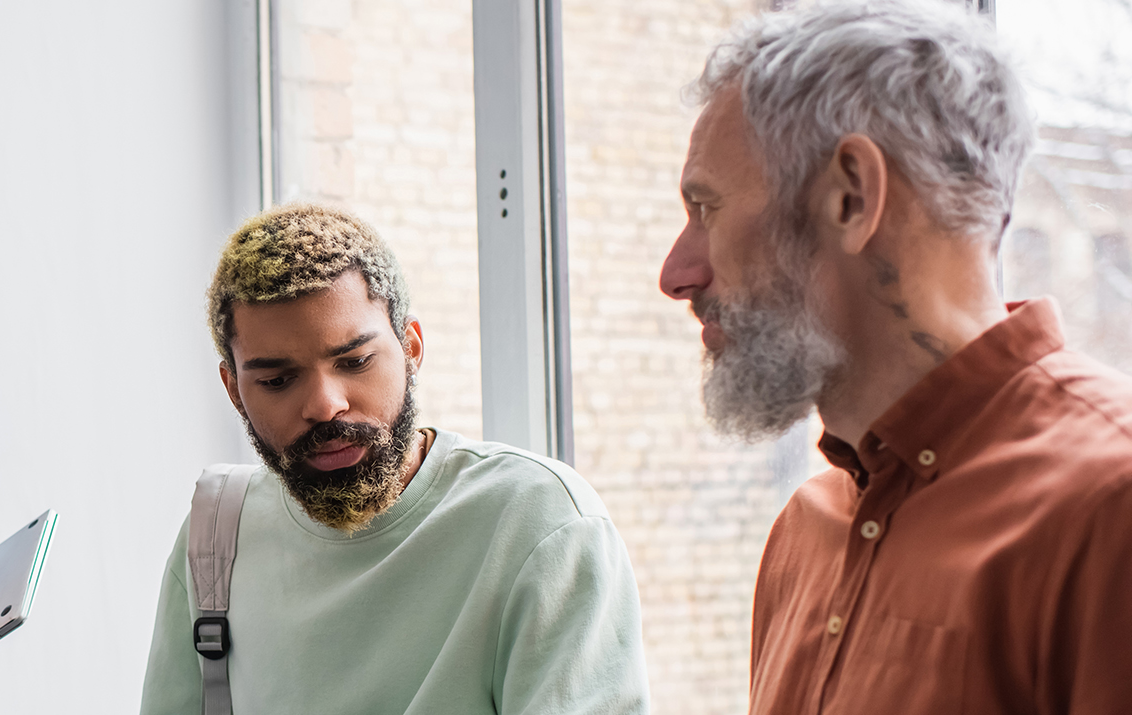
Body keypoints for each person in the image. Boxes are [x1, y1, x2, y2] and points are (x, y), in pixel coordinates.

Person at [660, 1, 1132, 711]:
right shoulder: (803, 534)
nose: (676, 273)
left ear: (852, 195)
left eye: (707, 208)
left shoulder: (1110, 511)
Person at [139, 204, 650, 715]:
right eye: (276, 380)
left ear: (410, 347)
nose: (324, 405)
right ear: (234, 390)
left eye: (355, 361)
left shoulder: (543, 524)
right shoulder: (216, 536)